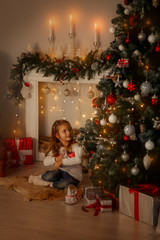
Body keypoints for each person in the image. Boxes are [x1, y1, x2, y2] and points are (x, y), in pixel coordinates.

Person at [28, 120, 83, 189]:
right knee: (48, 176)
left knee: (63, 184)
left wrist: (62, 162)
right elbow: (45, 162)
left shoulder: (75, 146)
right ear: (57, 135)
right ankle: (38, 178)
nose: (68, 132)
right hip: (62, 171)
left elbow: (78, 160)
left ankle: (49, 184)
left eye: (69, 130)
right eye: (64, 131)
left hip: (74, 176)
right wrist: (56, 159)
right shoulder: (57, 148)